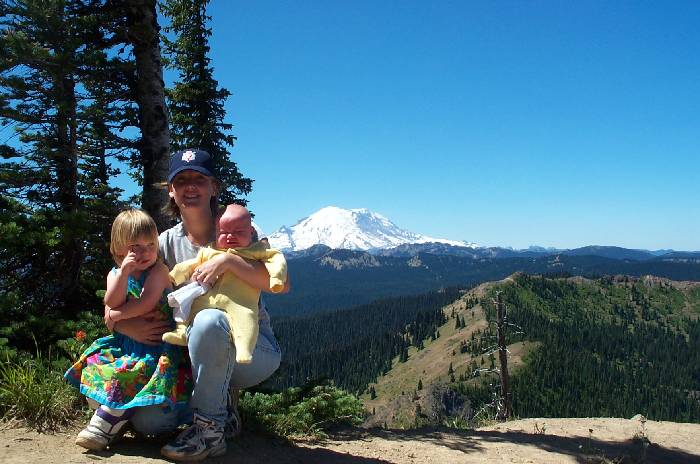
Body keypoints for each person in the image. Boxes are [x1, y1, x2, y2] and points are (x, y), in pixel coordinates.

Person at [110, 148, 284, 461]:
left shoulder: (238, 230)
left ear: (213, 187)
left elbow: (276, 281)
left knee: (209, 320)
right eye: (181, 180)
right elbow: (123, 289)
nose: (190, 187)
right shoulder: (164, 243)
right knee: (148, 423)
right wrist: (122, 324)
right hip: (186, 352)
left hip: (252, 350)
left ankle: (209, 430)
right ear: (171, 191)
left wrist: (227, 261)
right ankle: (219, 406)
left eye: (199, 179)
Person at [64, 209, 192, 451]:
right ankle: (113, 419)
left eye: (150, 245)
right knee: (101, 369)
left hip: (155, 348)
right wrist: (123, 274)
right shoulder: (116, 273)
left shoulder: (158, 271)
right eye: (135, 247)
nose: (145, 252)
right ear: (119, 247)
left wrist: (115, 317)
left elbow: (146, 302)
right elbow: (111, 300)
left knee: (129, 375)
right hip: (127, 346)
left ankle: (105, 424)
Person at [163, 203, 287, 366]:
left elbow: (278, 267)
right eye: (223, 233)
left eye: (238, 232)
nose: (230, 237)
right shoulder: (169, 241)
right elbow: (189, 265)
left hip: (240, 305)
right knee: (191, 310)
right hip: (206, 307)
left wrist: (229, 261)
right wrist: (175, 275)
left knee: (244, 318)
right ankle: (182, 332)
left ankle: (244, 348)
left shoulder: (252, 244)